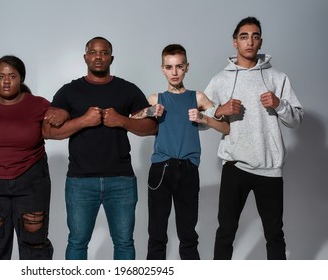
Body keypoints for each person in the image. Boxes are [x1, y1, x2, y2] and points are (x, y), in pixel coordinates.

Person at [42, 36, 158, 260]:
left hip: (121, 180)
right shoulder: (69, 91)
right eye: (93, 52)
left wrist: (122, 120)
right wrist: (83, 121)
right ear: (85, 57)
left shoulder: (128, 89)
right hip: (80, 181)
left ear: (111, 58)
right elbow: (48, 132)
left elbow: (151, 127)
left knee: (124, 242)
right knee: (77, 242)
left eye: (104, 53)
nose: (98, 57)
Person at [204, 16, 304, 259]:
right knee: (225, 232)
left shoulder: (277, 78)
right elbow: (199, 119)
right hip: (234, 165)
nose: (250, 41)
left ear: (260, 42)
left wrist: (279, 105)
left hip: (269, 168)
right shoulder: (221, 80)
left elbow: (296, 120)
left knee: (274, 234)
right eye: (244, 36)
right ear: (235, 42)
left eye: (255, 36)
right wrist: (219, 110)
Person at [0, 55, 68, 260]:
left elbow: (60, 120)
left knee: (34, 243)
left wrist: (63, 112)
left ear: (21, 78)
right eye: (1, 76)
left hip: (31, 181)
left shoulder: (38, 105)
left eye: (12, 76)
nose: (6, 81)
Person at [131, 44, 229, 260]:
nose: (174, 72)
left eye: (179, 66)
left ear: (187, 67)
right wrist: (150, 111)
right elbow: (130, 118)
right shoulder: (156, 99)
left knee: (188, 235)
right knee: (156, 234)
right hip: (161, 170)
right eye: (169, 67)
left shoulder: (198, 97)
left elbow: (225, 126)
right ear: (162, 69)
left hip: (188, 170)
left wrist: (203, 118)